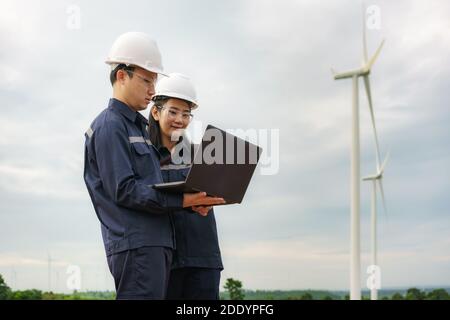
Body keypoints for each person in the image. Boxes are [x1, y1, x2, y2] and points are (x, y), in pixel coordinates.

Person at [83, 32, 225, 300]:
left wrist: (194, 201)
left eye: (155, 82)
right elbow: (125, 190)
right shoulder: (110, 126)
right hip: (139, 245)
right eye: (147, 80)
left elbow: (147, 187)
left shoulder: (132, 127)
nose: (152, 89)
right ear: (122, 75)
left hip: (158, 247)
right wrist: (184, 200)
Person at [148, 73, 223, 300]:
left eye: (186, 114)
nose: (180, 119)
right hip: (163, 259)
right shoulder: (143, 155)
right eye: (173, 111)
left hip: (203, 257)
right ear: (155, 111)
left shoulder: (203, 154)